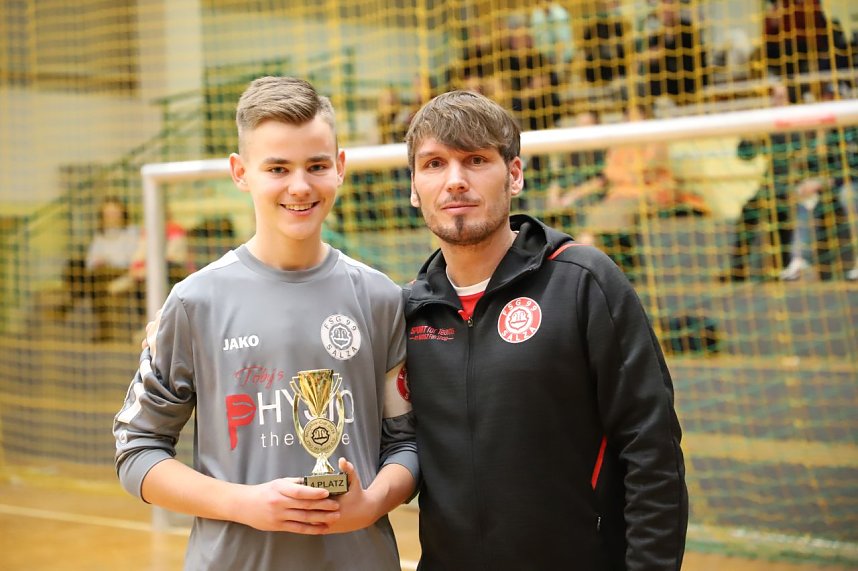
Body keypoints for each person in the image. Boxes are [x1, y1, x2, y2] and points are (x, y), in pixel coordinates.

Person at [113, 76, 417, 571]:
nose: (300, 185)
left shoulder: (381, 297)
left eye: (316, 165)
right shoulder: (194, 301)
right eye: (277, 167)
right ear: (241, 172)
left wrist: (374, 500)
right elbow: (137, 451)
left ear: (340, 168)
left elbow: (407, 442)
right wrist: (244, 504)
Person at [402, 90, 687, 570]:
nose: (455, 181)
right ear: (413, 186)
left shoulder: (582, 280)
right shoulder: (410, 310)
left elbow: (651, 450)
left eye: (475, 160)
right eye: (433, 164)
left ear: (514, 175)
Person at [58, 196, 140, 340]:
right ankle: (73, 300)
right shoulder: (100, 235)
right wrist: (99, 261)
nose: (111, 217)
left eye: (115, 213)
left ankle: (71, 301)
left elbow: (130, 259)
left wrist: (107, 259)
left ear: (122, 213)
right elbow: (90, 260)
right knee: (75, 264)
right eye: (107, 214)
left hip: (122, 272)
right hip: (99, 273)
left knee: (96, 278)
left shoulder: (132, 232)